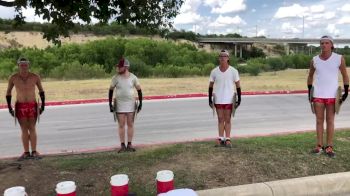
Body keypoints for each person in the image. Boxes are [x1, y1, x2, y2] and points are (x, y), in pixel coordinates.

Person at [307, 35, 349, 158]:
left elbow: (345, 75)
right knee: (319, 121)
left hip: (332, 95)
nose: (324, 45)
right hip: (318, 94)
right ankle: (319, 146)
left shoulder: (339, 58)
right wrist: (309, 90)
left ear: (331, 45)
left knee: (330, 121)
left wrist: (346, 91)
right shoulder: (314, 60)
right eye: (322, 43)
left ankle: (329, 146)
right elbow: (310, 76)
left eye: (326, 43)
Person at [6, 57, 45, 160]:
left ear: (28, 65)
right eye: (21, 65)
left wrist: (43, 106)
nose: (24, 67)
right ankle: (26, 152)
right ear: (18, 65)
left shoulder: (35, 77)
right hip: (20, 106)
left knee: (32, 128)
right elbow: (8, 93)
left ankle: (34, 151)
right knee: (24, 129)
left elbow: (41, 91)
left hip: (32, 105)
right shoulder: (13, 78)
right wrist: (10, 108)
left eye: (25, 64)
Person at [108, 58, 142, 153]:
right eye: (118, 67)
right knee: (121, 125)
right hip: (119, 104)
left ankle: (130, 144)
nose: (118, 68)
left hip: (131, 104)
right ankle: (122, 145)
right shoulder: (115, 78)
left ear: (126, 67)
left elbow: (139, 90)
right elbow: (111, 90)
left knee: (130, 124)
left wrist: (140, 104)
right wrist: (110, 104)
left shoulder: (133, 77)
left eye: (120, 67)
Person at [208, 50, 241, 148]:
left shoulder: (233, 71)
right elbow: (210, 86)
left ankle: (228, 139)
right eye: (221, 56)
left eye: (225, 56)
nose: (222, 58)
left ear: (228, 58)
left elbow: (238, 86)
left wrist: (239, 99)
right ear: (219, 58)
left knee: (228, 119)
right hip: (218, 99)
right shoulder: (214, 71)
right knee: (220, 119)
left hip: (229, 99)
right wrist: (209, 99)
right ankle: (220, 138)